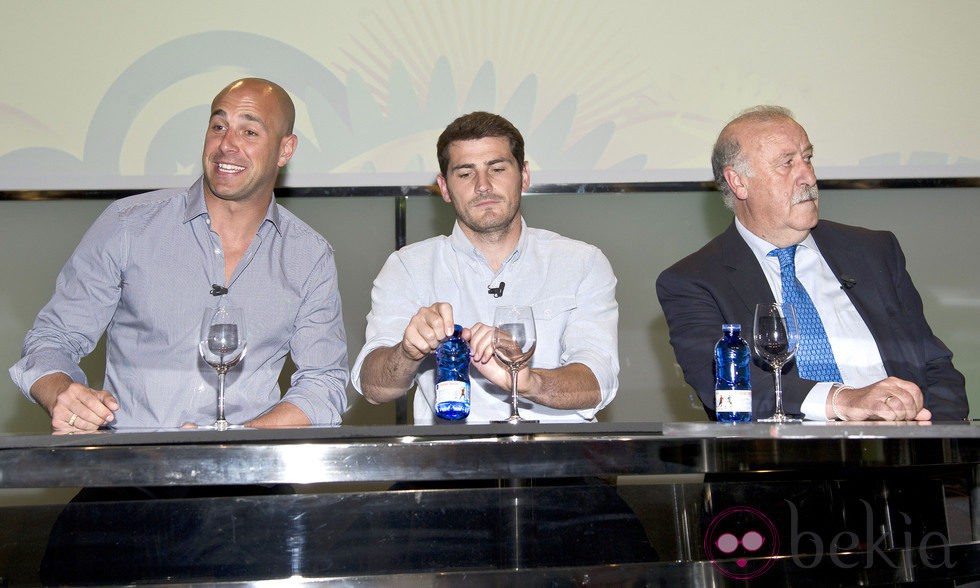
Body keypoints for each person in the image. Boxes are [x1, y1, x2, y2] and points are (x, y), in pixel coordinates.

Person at [9, 78, 349, 432]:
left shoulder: (309, 256)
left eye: (249, 132)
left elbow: (323, 383)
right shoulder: (128, 226)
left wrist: (237, 444)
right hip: (131, 470)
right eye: (218, 126)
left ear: (285, 150)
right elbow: (53, 339)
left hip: (252, 472)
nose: (226, 144)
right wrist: (62, 393)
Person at [656, 105, 968, 422]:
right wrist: (843, 400)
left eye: (807, 158)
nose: (808, 176)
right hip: (781, 464)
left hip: (901, 456)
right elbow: (725, 389)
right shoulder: (693, 281)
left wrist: (935, 441)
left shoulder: (873, 251)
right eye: (787, 164)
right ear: (738, 182)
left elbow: (934, 366)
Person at [352, 111, 619, 424]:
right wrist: (407, 352)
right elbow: (374, 389)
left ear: (525, 176)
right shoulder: (408, 268)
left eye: (497, 169)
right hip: (448, 465)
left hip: (560, 462)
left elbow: (597, 383)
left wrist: (525, 380)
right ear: (445, 188)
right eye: (465, 174)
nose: (483, 185)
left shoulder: (581, 263)